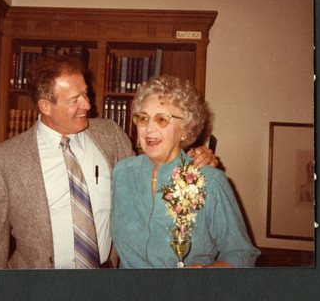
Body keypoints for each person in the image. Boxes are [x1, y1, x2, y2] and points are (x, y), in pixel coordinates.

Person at [0, 55, 217, 269]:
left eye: (86, 93)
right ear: (45, 106)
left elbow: (147, 177)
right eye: (75, 100)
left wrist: (191, 162)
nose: (88, 105)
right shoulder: (4, 160)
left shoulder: (109, 135)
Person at [111, 75, 260, 268]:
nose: (149, 129)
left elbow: (242, 254)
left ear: (185, 129)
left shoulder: (210, 180)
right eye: (143, 118)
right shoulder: (121, 173)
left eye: (162, 119)